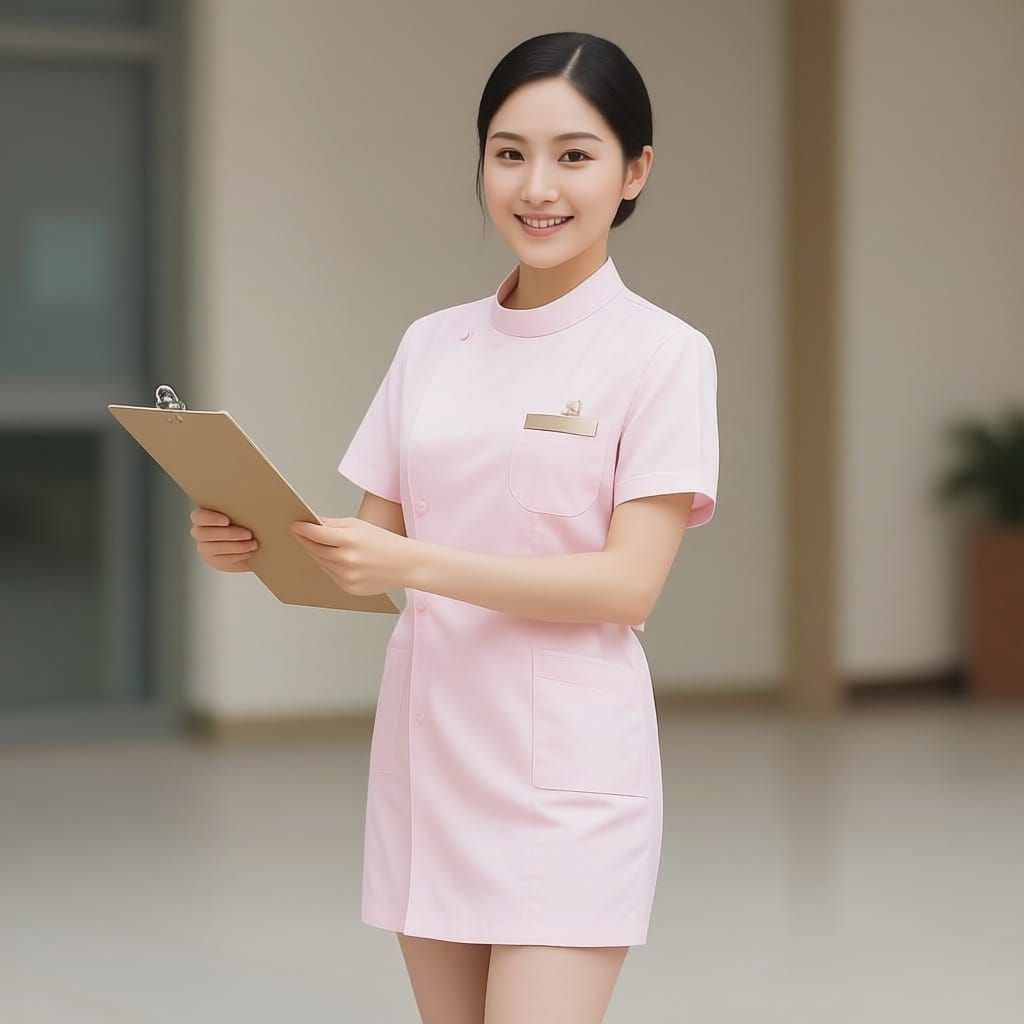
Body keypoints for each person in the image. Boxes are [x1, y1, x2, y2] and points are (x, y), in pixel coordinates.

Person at [191, 30, 719, 1024]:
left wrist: (415, 561)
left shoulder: (661, 354)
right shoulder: (431, 344)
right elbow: (363, 559)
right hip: (433, 756)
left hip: (568, 779)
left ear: (634, 170)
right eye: (508, 151)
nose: (536, 186)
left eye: (574, 154)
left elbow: (627, 585)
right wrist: (254, 540)